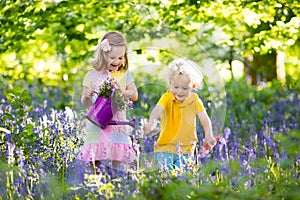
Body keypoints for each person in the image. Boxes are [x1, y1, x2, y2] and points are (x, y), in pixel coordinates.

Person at [79, 31, 138, 174]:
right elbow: (85, 103)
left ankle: (116, 182)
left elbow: (135, 95)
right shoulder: (91, 76)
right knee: (95, 156)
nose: (117, 61)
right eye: (112, 58)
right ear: (103, 55)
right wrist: (87, 96)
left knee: (117, 156)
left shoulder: (124, 75)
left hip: (117, 123)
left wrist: (124, 93)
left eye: (120, 57)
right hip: (97, 123)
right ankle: (95, 183)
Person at [144, 58, 216, 169]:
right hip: (165, 147)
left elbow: (204, 118)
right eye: (176, 87)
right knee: (166, 177)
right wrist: (151, 121)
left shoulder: (194, 100)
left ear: (193, 86)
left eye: (185, 88)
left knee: (181, 178)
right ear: (170, 84)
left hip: (186, 149)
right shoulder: (167, 97)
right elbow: (157, 109)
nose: (180, 91)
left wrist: (209, 134)